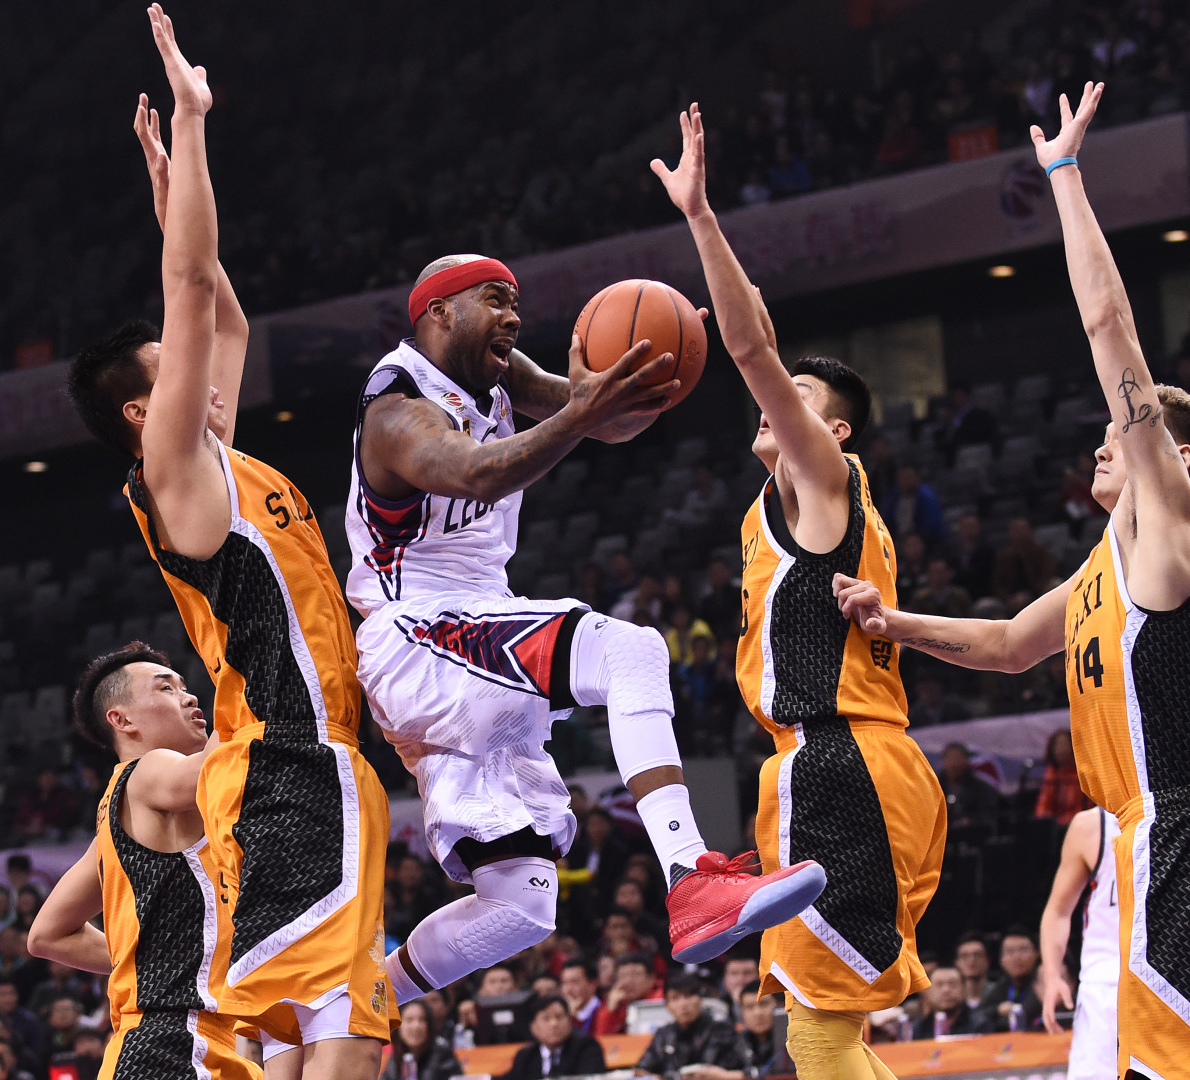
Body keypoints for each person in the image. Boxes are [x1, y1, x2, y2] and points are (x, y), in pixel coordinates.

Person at [834, 84, 1190, 1079]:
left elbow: (1106, 324)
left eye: (1122, 435)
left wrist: (1064, 178)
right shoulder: (1097, 575)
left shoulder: (1173, 533)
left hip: (1189, 833)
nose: (1102, 441)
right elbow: (1001, 647)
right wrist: (888, 619)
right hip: (1130, 850)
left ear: (1166, 456)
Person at [347, 250, 819, 1002]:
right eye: (495, 300)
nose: (514, 315)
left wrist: (654, 377)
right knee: (629, 649)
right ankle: (689, 875)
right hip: (417, 632)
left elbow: (606, 422)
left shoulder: (497, 373)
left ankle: (352, 1006)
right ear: (438, 312)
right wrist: (583, 412)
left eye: (515, 302)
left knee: (520, 907)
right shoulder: (398, 412)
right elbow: (478, 471)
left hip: (468, 631)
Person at [64, 9, 391, 1073]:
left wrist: (173, 200)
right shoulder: (177, 480)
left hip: (304, 759)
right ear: (137, 415)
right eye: (175, 370)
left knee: (326, 1027)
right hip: (285, 759)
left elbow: (229, 321)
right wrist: (195, 128)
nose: (206, 371)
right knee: (348, 1019)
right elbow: (195, 291)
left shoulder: (223, 460)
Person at [655, 102, 944, 1080]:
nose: (775, 405)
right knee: (821, 1033)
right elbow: (765, 348)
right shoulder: (772, 509)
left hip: (841, 766)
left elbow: (751, 351)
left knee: (818, 1034)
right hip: (820, 767)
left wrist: (698, 218)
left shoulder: (824, 485)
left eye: (802, 405)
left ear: (837, 435)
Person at [27, 642, 261, 1080]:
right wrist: (244, 673)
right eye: (167, 689)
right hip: (172, 1042)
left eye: (186, 687)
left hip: (158, 1040)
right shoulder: (150, 768)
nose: (191, 698)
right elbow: (211, 772)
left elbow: (47, 935)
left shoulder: (111, 824)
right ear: (122, 719)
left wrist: (150, 957)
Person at [1040, 808, 1120, 1080]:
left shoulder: (1186, 810)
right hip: (1105, 985)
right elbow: (1058, 911)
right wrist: (1052, 976)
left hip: (1170, 982)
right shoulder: (1091, 825)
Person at [635, 974, 748, 1080]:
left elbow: (735, 1068)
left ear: (700, 999)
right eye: (675, 998)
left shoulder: (721, 1029)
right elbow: (642, 1069)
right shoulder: (663, 1034)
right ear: (667, 1006)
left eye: (688, 996)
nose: (683, 1004)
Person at [500, 996, 605, 1080]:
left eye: (559, 1017)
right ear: (533, 1027)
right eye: (546, 1018)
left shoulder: (587, 1048)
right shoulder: (525, 1056)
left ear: (569, 1021)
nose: (554, 1024)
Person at [377, 999, 459, 1080]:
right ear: (398, 1027)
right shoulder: (394, 1057)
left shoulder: (443, 1054)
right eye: (409, 1020)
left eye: (422, 1020)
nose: (416, 1026)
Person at [978, 929, 1043, 1032]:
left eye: (1023, 950)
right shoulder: (1002, 986)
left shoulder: (1043, 981)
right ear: (1001, 960)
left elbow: (1029, 1013)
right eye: (1010, 951)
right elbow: (978, 1015)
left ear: (1037, 954)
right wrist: (997, 1010)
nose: (1017, 957)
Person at [593, 954, 664, 1037]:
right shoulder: (615, 1004)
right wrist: (610, 1010)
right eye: (623, 976)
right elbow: (601, 1040)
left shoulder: (662, 1000)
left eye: (636, 975)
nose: (629, 981)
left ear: (652, 979)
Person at [911, 967, 990, 1039]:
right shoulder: (917, 1029)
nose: (946, 990)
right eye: (939, 985)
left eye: (953, 984)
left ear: (964, 989)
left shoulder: (980, 1025)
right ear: (928, 992)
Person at [1034, 729, 1091, 827]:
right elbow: (1043, 806)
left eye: (1065, 744)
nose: (1061, 749)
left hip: (1079, 823)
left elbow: (1087, 807)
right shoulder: (1051, 774)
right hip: (1054, 827)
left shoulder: (1082, 773)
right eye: (1058, 745)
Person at [738, 982, 779, 1078]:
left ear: (778, 1005)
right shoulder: (737, 1040)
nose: (758, 1013)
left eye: (764, 1004)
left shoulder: (793, 1038)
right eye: (749, 1007)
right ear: (741, 1012)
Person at [953, 934, 995, 1011]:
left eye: (977, 955)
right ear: (956, 963)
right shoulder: (951, 998)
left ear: (988, 961)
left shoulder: (998, 993)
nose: (972, 960)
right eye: (965, 956)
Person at [558, 960, 600, 1037]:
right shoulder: (558, 1017)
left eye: (574, 982)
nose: (568, 990)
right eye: (564, 983)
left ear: (593, 984)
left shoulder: (604, 1012)